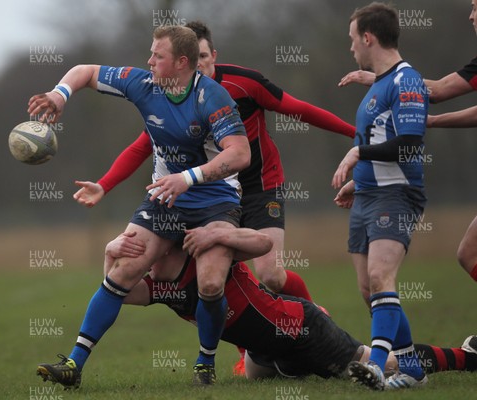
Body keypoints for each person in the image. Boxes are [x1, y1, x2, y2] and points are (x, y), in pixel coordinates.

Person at [73, 20, 357, 376]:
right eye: (198, 58)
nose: (202, 65)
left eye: (205, 57)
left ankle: (314, 326)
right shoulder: (168, 94)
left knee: (270, 274)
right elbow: (142, 146)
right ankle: (244, 350)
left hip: (259, 184)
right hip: (203, 192)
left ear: (206, 57)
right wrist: (105, 184)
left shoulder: (238, 85)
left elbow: (298, 109)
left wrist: (355, 133)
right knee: (212, 275)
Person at [28, 25, 251, 388]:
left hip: (215, 202)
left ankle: (204, 363)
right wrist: (60, 94)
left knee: (211, 284)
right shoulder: (143, 84)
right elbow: (85, 71)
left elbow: (241, 154)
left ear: (181, 62)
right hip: (164, 199)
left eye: (157, 56)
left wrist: (189, 178)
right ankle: (74, 364)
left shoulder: (212, 97)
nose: (148, 61)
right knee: (122, 269)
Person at [103, 226, 477, 381]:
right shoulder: (161, 287)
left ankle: (465, 357)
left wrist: (219, 232)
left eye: (151, 252)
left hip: (303, 330)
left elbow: (264, 244)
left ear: (173, 246)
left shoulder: (209, 261)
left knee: (386, 366)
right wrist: (110, 253)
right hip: (263, 352)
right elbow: (117, 292)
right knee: (252, 374)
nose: (146, 262)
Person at [338, 0, 477, 284]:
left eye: (476, 7)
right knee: (468, 254)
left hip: (399, 193)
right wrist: (383, 78)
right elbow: (436, 91)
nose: (471, 16)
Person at [331, 2, 430, 390]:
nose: (351, 47)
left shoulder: (407, 81)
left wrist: (357, 154)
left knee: (380, 276)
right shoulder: (379, 84)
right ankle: (412, 369)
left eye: (353, 39)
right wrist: (359, 180)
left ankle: (375, 365)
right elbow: (379, 139)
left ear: (368, 37)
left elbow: (408, 145)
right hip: (369, 195)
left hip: (398, 195)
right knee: (368, 289)